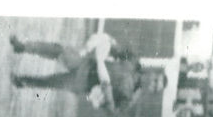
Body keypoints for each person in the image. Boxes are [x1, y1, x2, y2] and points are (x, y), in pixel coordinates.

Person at [10, 31, 167, 111]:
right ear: (153, 73)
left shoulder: (130, 97)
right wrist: (101, 44)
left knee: (53, 81)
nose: (151, 84)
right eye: (155, 80)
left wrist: (106, 91)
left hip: (84, 84)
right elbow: (114, 48)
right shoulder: (134, 62)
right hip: (88, 64)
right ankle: (23, 47)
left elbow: (112, 109)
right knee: (60, 51)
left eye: (154, 88)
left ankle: (22, 81)